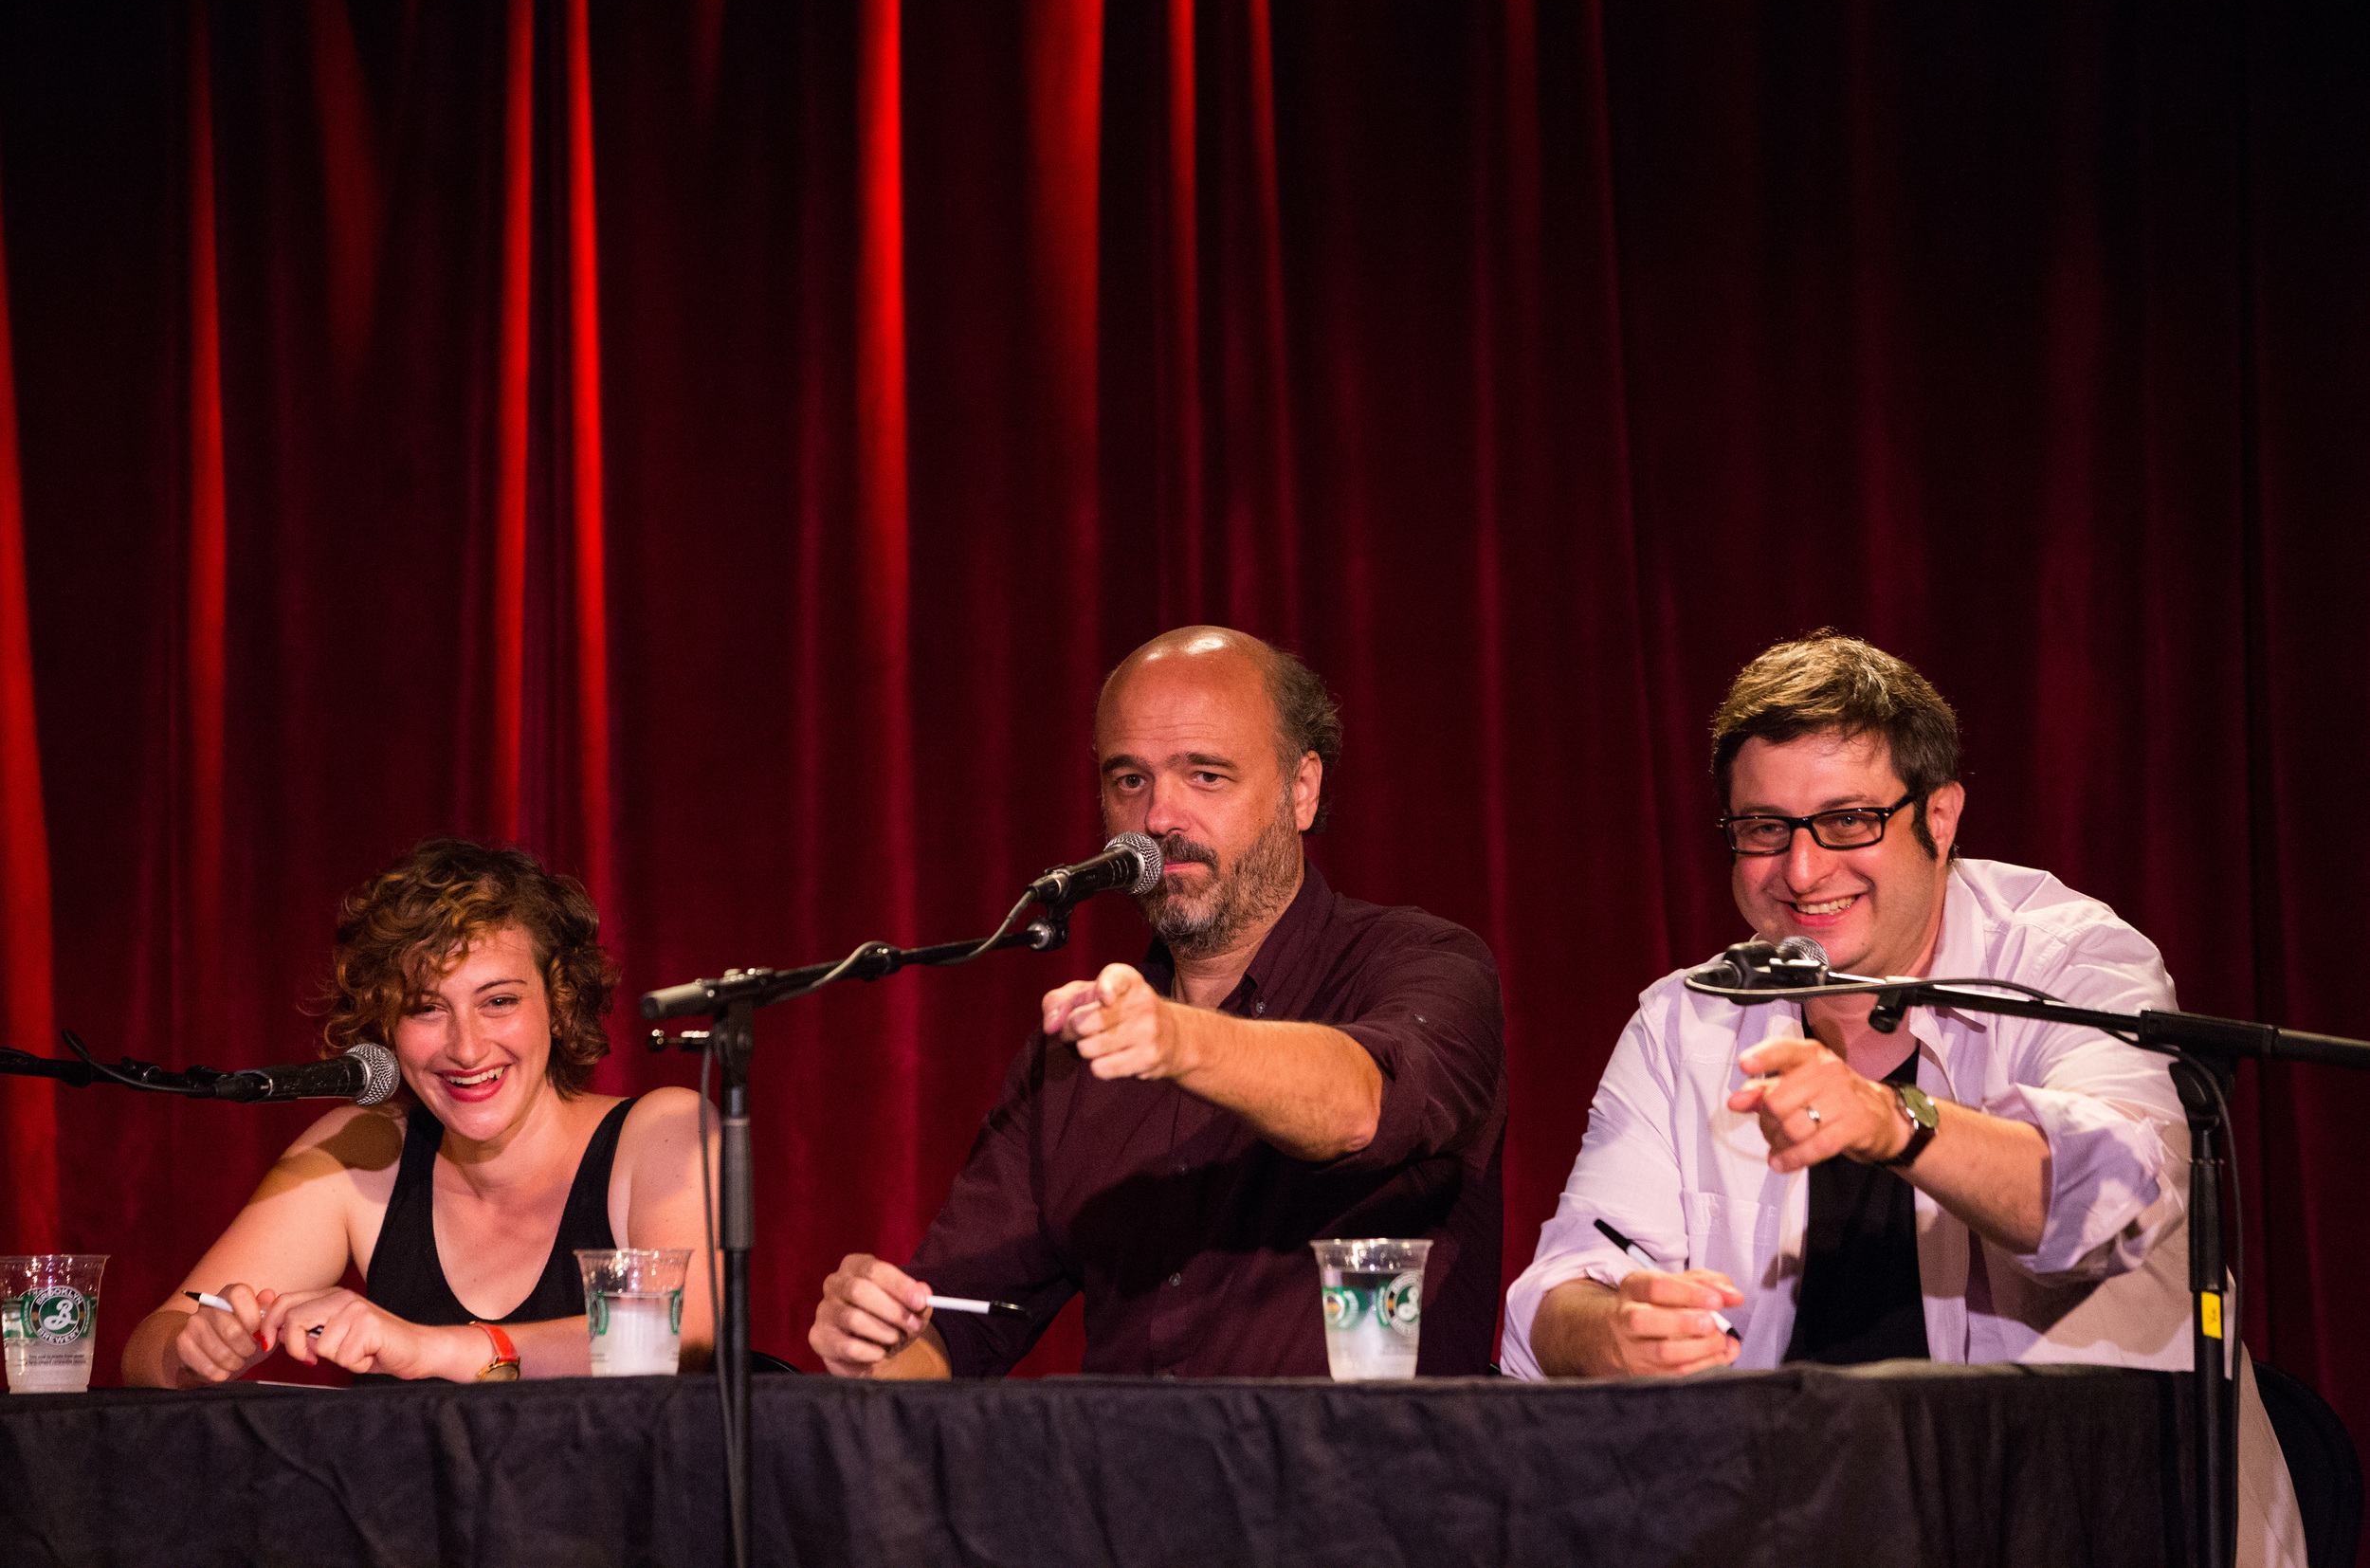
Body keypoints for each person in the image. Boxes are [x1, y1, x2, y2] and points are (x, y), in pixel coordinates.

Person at [1501, 629, 2302, 1567]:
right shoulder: (1688, 1019)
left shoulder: (2071, 962)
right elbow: (1548, 1306)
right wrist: (1613, 1330)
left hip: (2093, 1524)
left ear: (1942, 814)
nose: (1801, 871)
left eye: (1846, 820)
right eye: (1763, 827)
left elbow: (2108, 1197)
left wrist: (1889, 1118)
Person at [809, 627, 1506, 1378]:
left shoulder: (1425, 963)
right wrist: (878, 1344)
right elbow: (953, 1331)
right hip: (1126, 1489)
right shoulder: (1079, 1056)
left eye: (1205, 775)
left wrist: (1179, 1042)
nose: (1159, 817)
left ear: (1301, 790)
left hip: (1369, 1487)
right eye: (1129, 780)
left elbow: (1361, 1104)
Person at [122, 839, 715, 1386]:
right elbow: (147, 1349)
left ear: (559, 1005)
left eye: (499, 1001)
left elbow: (685, 1337)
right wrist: (198, 1348)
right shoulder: (364, 1149)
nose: (465, 1046)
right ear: (386, 1026)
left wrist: (435, 1349)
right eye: (426, 1009)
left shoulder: (661, 1131)